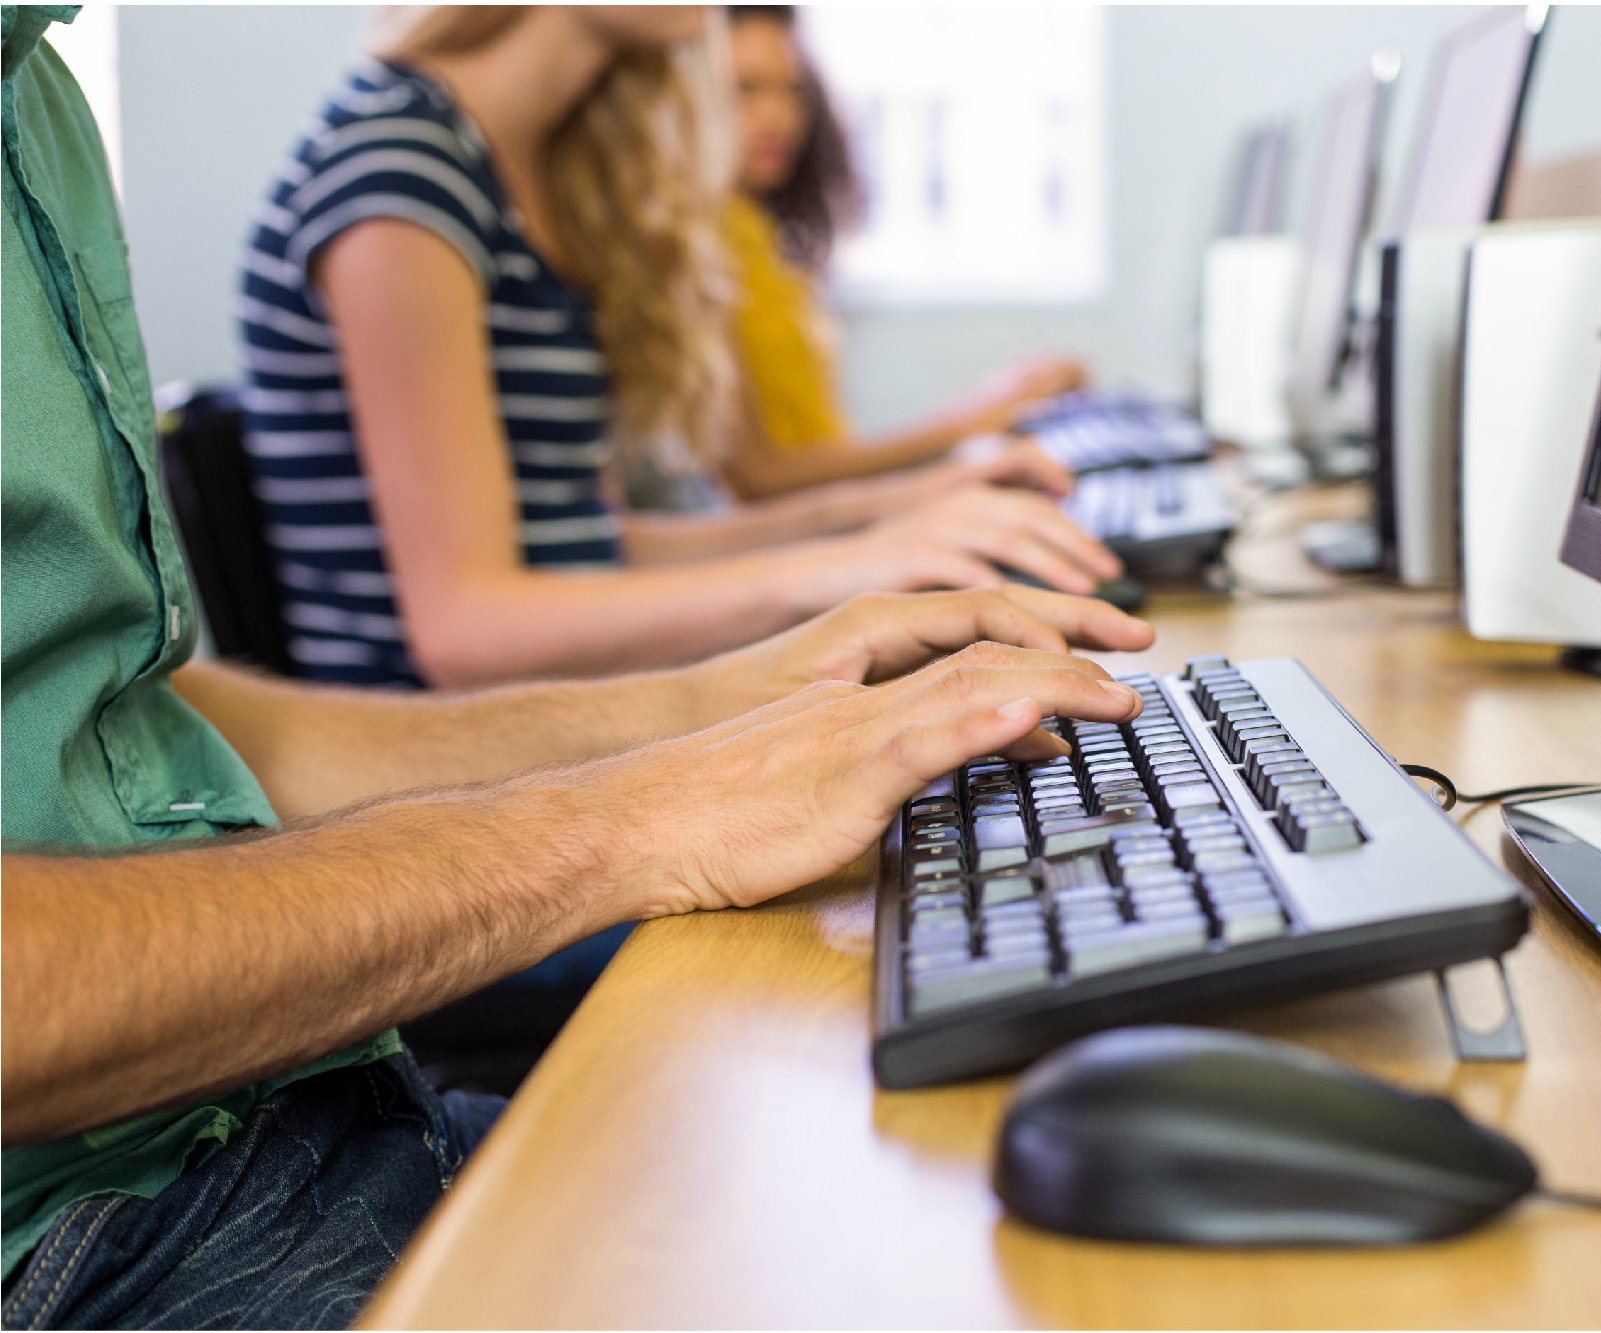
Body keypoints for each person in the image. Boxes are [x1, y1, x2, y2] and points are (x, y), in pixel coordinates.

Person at [1, 8, 1153, 1324]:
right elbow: (466, 621)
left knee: (933, 997)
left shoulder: (40, 92)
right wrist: (658, 786)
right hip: (150, 1158)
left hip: (276, 1100)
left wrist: (741, 686)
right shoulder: (398, 171)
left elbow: (121, 732)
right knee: (876, 1036)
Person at [241, 5, 1118, 690]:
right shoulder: (400, 170)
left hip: (558, 726)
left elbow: (578, 547)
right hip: (451, 790)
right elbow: (466, 632)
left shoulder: (528, 167)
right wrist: (836, 570)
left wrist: (890, 526)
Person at [716, 4, 1092, 500]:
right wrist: (977, 417)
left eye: (792, 91)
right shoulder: (692, 248)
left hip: (820, 522)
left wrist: (991, 418)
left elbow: (817, 452)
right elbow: (761, 478)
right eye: (746, 89)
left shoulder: (756, 237)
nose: (778, 116)